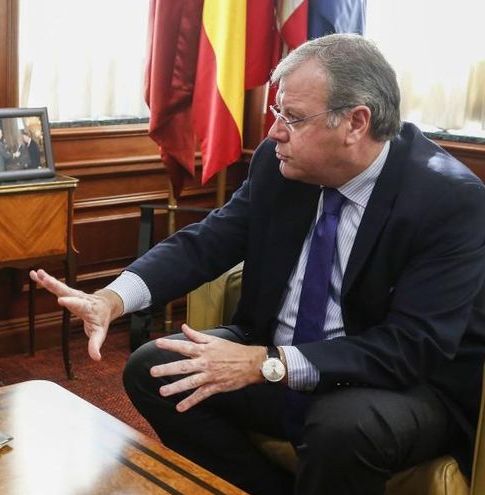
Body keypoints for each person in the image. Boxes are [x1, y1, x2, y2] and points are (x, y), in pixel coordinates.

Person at [30, 33, 485, 494]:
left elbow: (411, 347)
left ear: (355, 123)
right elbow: (207, 242)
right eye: (276, 112)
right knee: (155, 369)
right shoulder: (279, 164)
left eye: (293, 117)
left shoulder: (448, 200)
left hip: (398, 383)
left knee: (340, 427)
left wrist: (267, 363)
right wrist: (112, 299)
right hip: (275, 351)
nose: (274, 132)